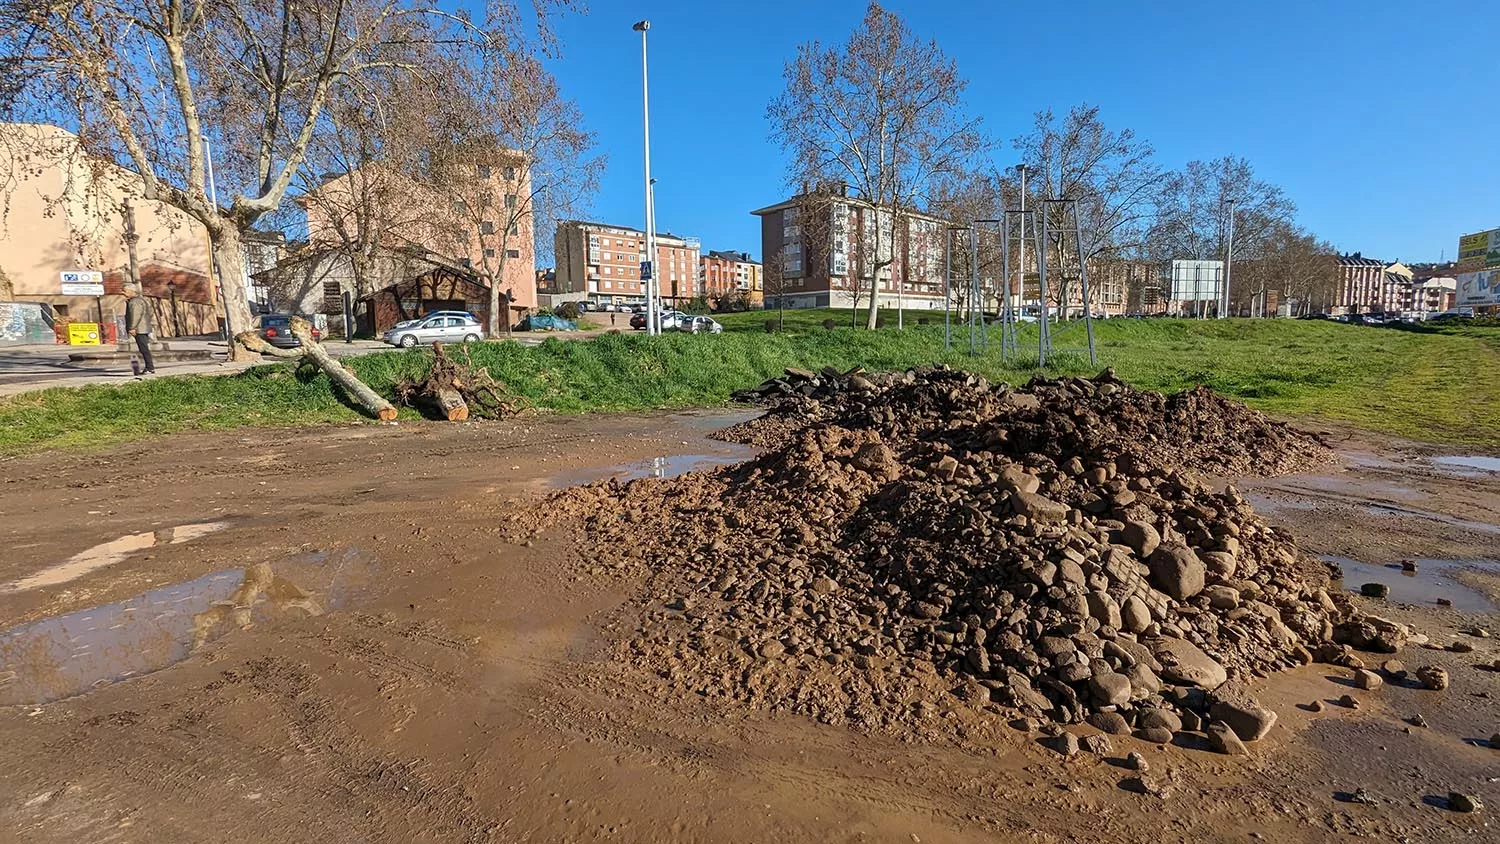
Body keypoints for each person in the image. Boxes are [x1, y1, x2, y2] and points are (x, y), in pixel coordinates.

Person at [123, 284, 156, 375]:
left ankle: (149, 367)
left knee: (144, 348)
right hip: (143, 327)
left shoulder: (135, 302)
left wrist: (132, 327)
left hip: (139, 329)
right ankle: (149, 367)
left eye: (125, 291)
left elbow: (136, 315)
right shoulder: (141, 300)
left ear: (131, 291)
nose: (123, 293)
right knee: (144, 348)